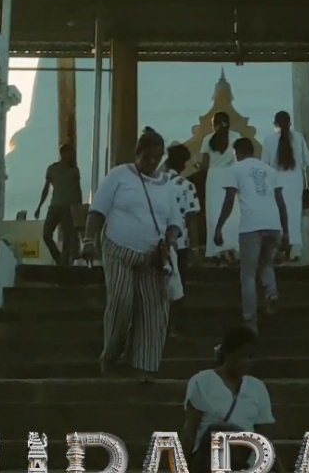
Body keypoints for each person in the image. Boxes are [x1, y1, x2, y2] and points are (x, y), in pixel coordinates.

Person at [82, 129, 182, 381]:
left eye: (157, 158)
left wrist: (169, 242)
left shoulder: (167, 183)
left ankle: (143, 366)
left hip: (152, 256)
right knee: (121, 304)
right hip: (118, 250)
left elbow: (174, 221)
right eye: (147, 157)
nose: (151, 163)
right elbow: (97, 211)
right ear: (138, 154)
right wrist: (88, 240)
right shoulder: (119, 176)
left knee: (153, 311)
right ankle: (111, 356)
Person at [181, 327, 288, 473]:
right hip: (210, 459)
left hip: (245, 461)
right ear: (226, 354)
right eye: (241, 356)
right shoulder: (202, 381)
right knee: (221, 430)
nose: (245, 362)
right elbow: (190, 430)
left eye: (250, 357)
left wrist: (280, 472)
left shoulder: (257, 388)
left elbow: (264, 438)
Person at [214, 136, 289, 332]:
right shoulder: (270, 171)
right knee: (266, 264)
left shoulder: (235, 169)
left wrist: (219, 226)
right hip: (273, 224)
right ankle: (271, 292)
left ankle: (250, 323)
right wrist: (286, 230)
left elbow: (230, 199)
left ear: (237, 152)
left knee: (247, 274)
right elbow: (281, 202)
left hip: (251, 225)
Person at [163, 142, 202, 335]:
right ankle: (173, 325)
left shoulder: (155, 183)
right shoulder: (186, 186)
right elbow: (192, 218)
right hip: (180, 243)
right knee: (178, 286)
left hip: (155, 242)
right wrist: (195, 248)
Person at [260, 110, 309, 261]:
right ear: (290, 123)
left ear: (275, 124)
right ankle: (295, 249)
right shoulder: (299, 137)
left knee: (277, 215)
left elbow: (265, 165)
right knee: (294, 215)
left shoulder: (269, 140)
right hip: (295, 181)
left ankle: (278, 248)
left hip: (276, 182)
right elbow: (306, 162)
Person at [198, 111, 242, 260]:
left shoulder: (207, 139)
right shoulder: (236, 137)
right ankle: (233, 247)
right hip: (231, 175)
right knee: (232, 213)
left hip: (213, 178)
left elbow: (204, 165)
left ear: (214, 125)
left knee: (214, 213)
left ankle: (217, 250)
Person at [33, 143, 82, 266]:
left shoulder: (74, 171)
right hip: (55, 206)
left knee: (68, 236)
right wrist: (39, 206)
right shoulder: (53, 169)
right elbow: (46, 189)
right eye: (70, 153)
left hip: (68, 208)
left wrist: (78, 209)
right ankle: (58, 258)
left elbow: (78, 190)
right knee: (46, 234)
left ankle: (64, 262)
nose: (72, 156)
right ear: (63, 154)